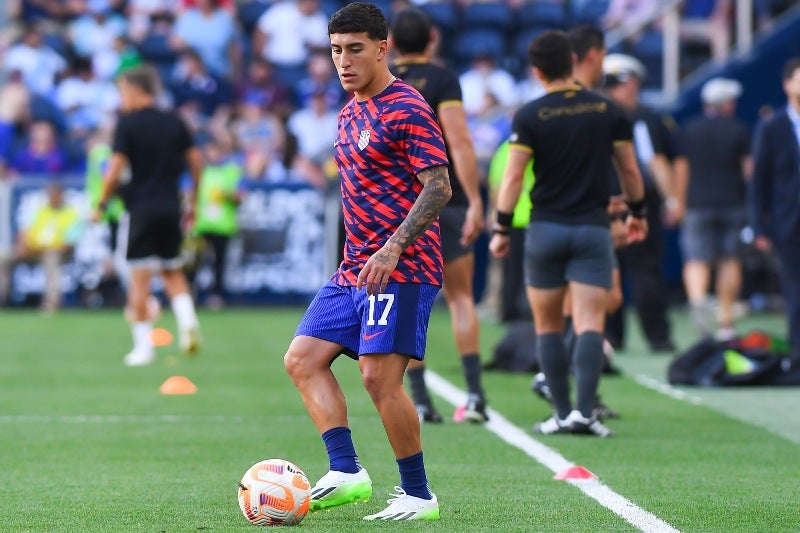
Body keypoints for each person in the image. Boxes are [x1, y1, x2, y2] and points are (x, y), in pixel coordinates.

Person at [283, 2, 450, 521]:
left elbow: (439, 187)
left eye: (355, 49)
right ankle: (347, 471)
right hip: (356, 265)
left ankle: (419, 495)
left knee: (379, 378)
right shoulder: (350, 110)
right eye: (336, 50)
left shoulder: (408, 106)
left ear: (383, 49)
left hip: (403, 265)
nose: (344, 60)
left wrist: (394, 245)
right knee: (302, 360)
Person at [489, 30, 647, 437]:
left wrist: (502, 227)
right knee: (592, 322)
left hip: (545, 229)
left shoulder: (530, 114)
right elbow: (630, 170)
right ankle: (584, 414)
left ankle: (560, 414)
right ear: (574, 61)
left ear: (538, 71)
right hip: (592, 230)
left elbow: (513, 178)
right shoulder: (608, 110)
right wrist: (637, 212)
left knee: (548, 326)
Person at [389, 7, 487, 424]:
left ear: (389, 42)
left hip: (399, 204)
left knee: (411, 300)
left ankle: (422, 401)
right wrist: (476, 199)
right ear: (433, 39)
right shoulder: (444, 79)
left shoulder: (384, 82)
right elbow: (460, 142)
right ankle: (476, 394)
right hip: (444, 198)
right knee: (461, 297)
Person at [92, 65, 202, 366]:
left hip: (139, 207)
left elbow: (114, 168)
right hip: (171, 206)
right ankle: (188, 322)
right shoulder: (174, 121)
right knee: (172, 270)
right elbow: (196, 161)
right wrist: (194, 198)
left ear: (136, 89)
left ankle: (143, 348)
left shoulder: (127, 124)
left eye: (122, 91)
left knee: (139, 279)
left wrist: (101, 202)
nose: (121, 98)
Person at [601, 53, 678, 353]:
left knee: (610, 272)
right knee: (645, 271)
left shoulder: (594, 112)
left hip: (601, 204)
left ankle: (611, 336)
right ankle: (657, 337)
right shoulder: (639, 118)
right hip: (633, 205)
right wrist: (670, 199)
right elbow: (651, 162)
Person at [675, 77, 750, 341]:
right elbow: (747, 171)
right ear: (726, 104)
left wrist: (678, 202)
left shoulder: (690, 129)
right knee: (729, 260)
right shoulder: (739, 129)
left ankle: (700, 313)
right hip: (732, 203)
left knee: (696, 260)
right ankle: (726, 322)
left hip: (697, 204)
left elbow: (682, 169)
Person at [749, 57, 800, 368]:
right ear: (787, 84)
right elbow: (759, 181)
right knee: (794, 287)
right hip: (789, 222)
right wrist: (758, 226)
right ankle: (797, 350)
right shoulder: (773, 127)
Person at [3, 182, 81, 312]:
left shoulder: (71, 213)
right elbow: (25, 231)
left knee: (52, 258)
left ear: (62, 196)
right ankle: (3, 300)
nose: (52, 198)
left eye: (55, 195)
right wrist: (24, 244)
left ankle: (51, 303)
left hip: (55, 252)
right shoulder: (40, 211)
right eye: (50, 195)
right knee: (3, 257)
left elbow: (69, 243)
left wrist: (46, 247)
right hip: (33, 250)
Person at [193, 139, 243, 309]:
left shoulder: (231, 172)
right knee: (194, 260)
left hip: (223, 225)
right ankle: (190, 293)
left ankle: (216, 295)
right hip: (202, 225)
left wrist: (227, 195)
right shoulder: (200, 171)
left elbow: (240, 197)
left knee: (219, 262)